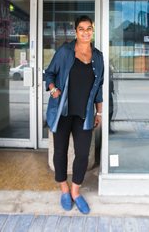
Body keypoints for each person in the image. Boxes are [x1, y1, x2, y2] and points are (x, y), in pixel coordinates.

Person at [44, 15, 104, 215]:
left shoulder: (98, 56)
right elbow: (49, 73)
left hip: (84, 114)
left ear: (92, 31)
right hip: (62, 112)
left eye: (89, 28)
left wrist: (100, 112)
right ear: (75, 32)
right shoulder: (65, 51)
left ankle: (76, 192)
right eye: (81, 29)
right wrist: (53, 89)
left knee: (82, 155)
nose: (85, 32)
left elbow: (99, 87)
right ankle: (64, 189)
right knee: (60, 152)